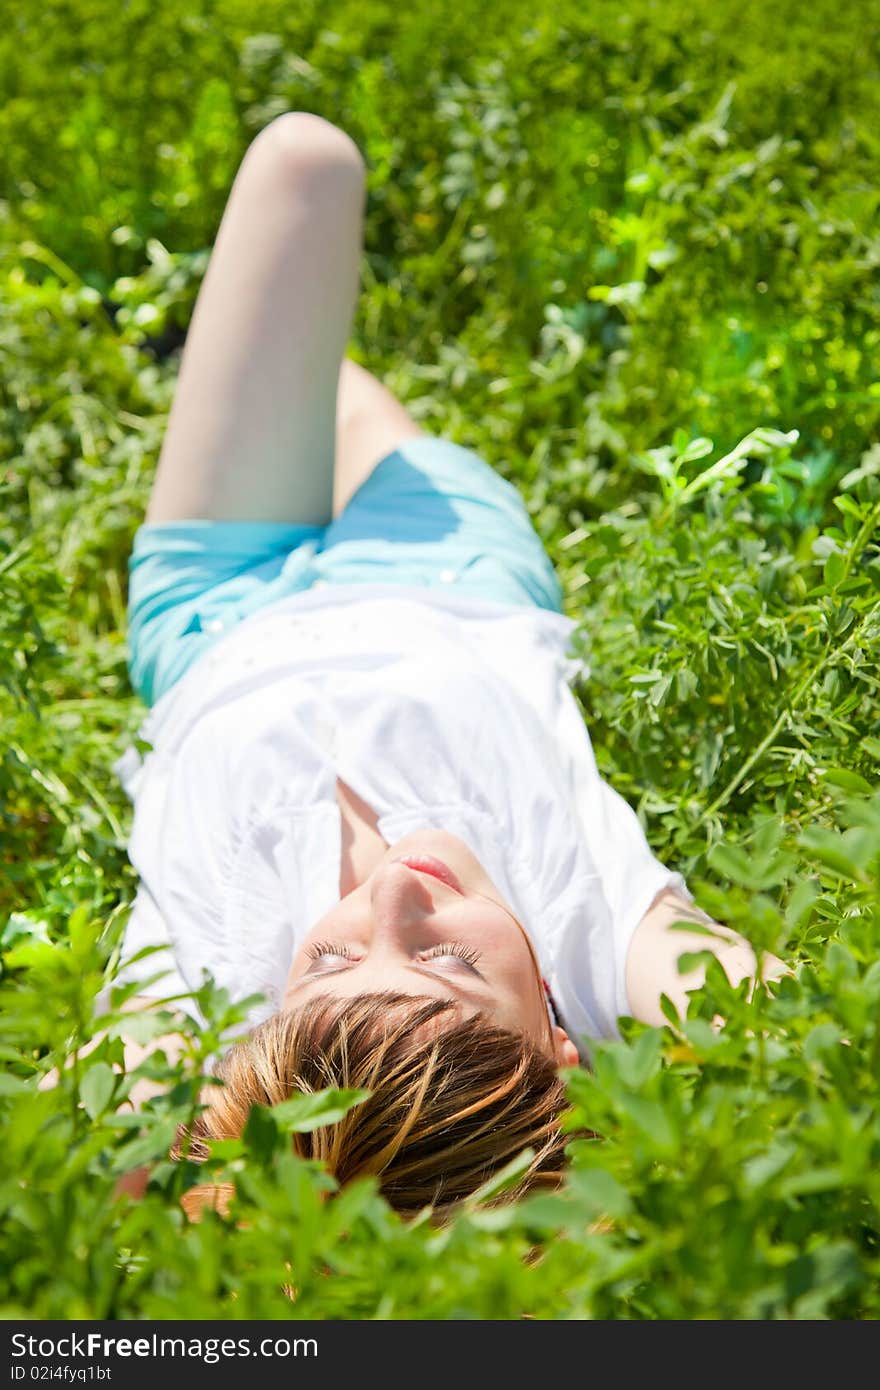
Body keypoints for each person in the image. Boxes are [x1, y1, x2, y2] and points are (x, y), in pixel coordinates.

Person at [106, 112, 784, 1217]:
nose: (385, 902)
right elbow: (803, 1030)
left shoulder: (206, 1014)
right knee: (333, 321)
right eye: (453, 966)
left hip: (214, 610)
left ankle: (239, 360)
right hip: (451, 579)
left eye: (326, 966)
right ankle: (299, 381)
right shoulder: (601, 935)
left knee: (302, 163)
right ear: (559, 1049)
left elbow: (88, 1142)